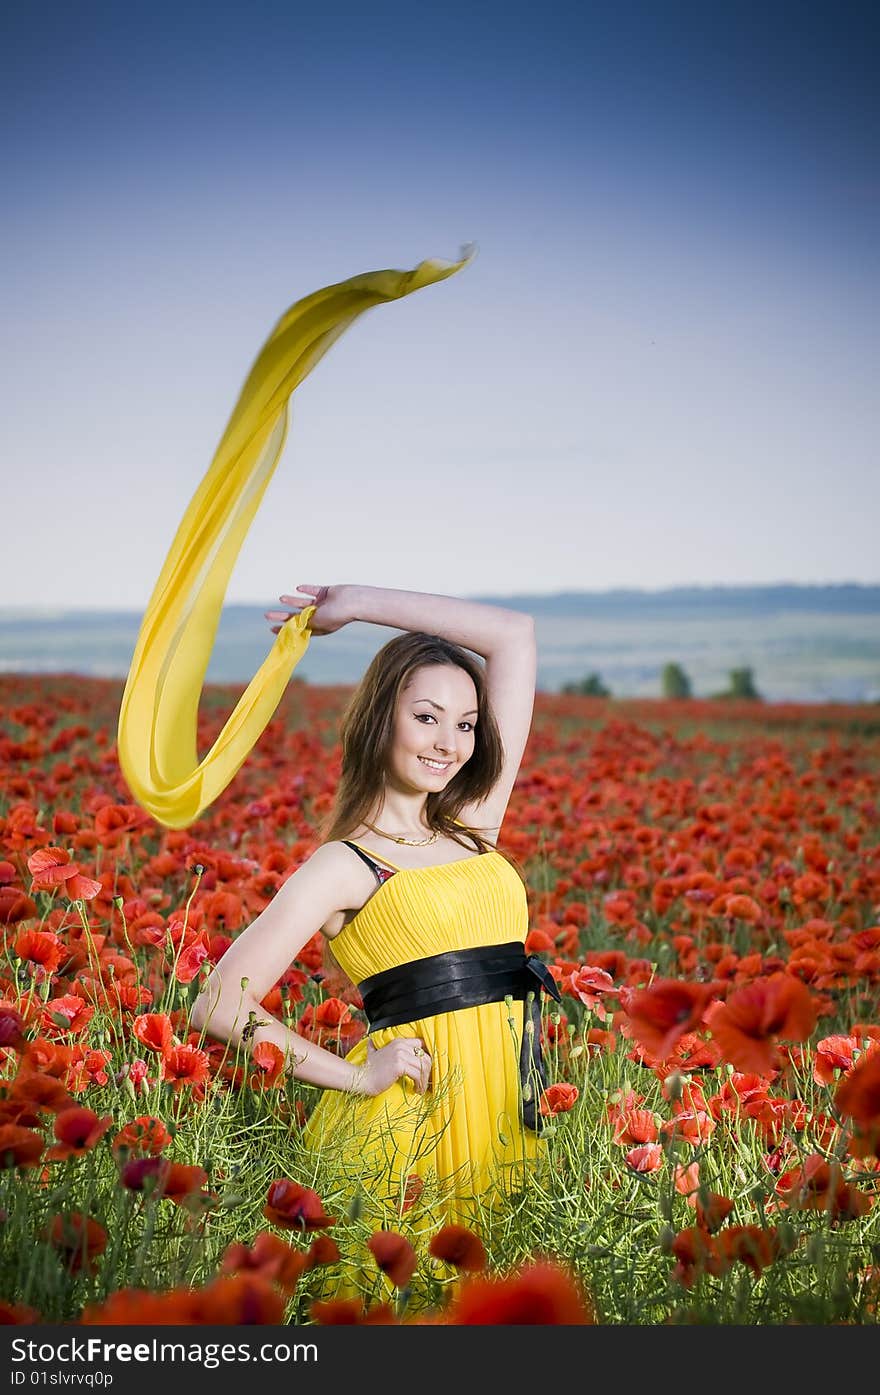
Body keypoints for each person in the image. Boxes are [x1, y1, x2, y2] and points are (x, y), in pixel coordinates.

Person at [191, 582, 560, 1227]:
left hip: (511, 1108)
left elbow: (513, 635)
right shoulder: (345, 865)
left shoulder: (473, 824)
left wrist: (356, 603)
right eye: (426, 717)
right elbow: (218, 1003)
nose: (449, 743)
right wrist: (356, 1078)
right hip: (413, 1123)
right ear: (380, 719)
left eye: (466, 723)